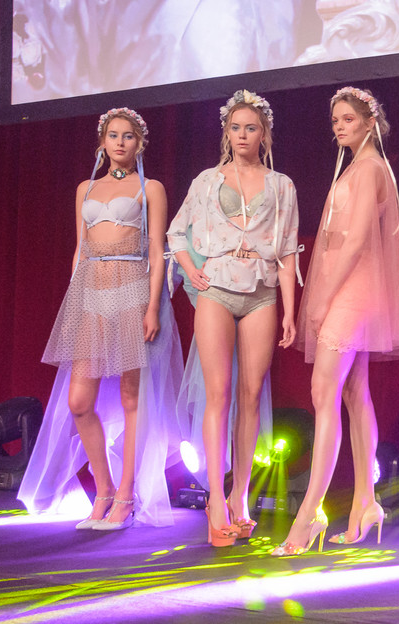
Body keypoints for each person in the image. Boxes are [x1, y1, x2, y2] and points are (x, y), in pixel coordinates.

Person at [19, 108, 182, 529]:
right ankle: (104, 488)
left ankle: (126, 496)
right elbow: (81, 247)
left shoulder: (151, 188)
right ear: (103, 141)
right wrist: (75, 301)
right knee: (78, 402)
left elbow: (156, 250)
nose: (120, 142)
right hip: (91, 292)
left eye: (128, 136)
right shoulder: (86, 188)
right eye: (113, 135)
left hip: (132, 288)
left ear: (139, 143)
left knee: (131, 400)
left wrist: (152, 306)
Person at [270, 87, 399, 556]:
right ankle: (365, 504)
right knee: (353, 391)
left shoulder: (370, 168)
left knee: (323, 392)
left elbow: (354, 243)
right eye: (336, 120)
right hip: (351, 286)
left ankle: (309, 512)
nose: (339, 126)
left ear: (370, 122)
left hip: (352, 290)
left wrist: (322, 299)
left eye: (348, 118)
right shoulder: (358, 167)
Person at [168, 90, 300, 547]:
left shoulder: (282, 185)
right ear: (226, 132)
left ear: (264, 134)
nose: (243, 135)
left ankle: (240, 496)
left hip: (262, 292)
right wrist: (191, 270)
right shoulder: (207, 181)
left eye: (251, 128)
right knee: (218, 394)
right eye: (236, 127)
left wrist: (290, 309)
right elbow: (176, 233)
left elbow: (287, 251)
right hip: (218, 290)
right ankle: (215, 500)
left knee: (250, 395)